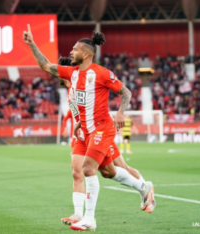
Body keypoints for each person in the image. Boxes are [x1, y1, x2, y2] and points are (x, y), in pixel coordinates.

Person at [23, 25, 155, 231]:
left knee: (87, 168)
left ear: (86, 54)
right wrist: (31, 44)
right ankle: (144, 187)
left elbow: (126, 92)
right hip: (86, 130)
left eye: (74, 49)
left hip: (103, 128)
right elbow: (46, 66)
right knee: (109, 172)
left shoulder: (101, 73)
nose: (71, 52)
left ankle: (89, 219)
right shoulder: (72, 73)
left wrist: (120, 113)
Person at [58, 57, 150, 226]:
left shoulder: (82, 84)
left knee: (120, 168)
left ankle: (145, 188)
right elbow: (78, 113)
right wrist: (77, 123)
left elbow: (97, 105)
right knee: (79, 170)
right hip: (84, 134)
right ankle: (79, 214)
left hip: (99, 131)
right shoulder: (71, 91)